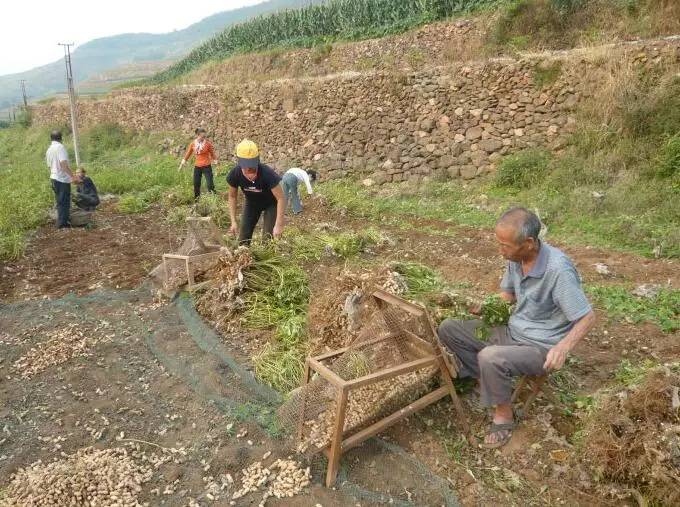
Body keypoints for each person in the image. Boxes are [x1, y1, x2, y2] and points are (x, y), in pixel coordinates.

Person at [438, 207, 596, 449]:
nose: (501, 251)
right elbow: (508, 294)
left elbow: (586, 317)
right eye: (499, 244)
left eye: (506, 246)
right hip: (513, 331)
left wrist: (563, 348)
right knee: (449, 328)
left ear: (529, 242)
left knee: (490, 356)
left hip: (539, 346)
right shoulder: (516, 259)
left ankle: (504, 414)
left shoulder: (558, 270)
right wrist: (485, 306)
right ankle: (485, 379)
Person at [226, 139, 285, 245]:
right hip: (252, 204)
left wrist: (279, 224)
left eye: (253, 169)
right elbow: (232, 196)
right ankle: (245, 259)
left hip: (271, 204)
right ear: (240, 164)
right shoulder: (235, 174)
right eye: (247, 170)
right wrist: (233, 221)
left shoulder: (267, 173)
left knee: (267, 239)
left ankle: (268, 257)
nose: (251, 174)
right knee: (243, 238)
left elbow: (280, 198)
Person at [46, 130, 79, 228]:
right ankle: (63, 223)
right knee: (64, 201)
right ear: (61, 138)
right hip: (61, 179)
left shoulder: (49, 149)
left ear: (51, 138)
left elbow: (49, 166)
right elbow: (63, 165)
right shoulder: (60, 147)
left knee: (59, 201)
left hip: (54, 178)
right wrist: (73, 176)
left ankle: (61, 221)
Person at [179, 128, 219, 200]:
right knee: (196, 184)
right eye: (202, 136)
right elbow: (188, 154)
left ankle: (214, 198)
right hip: (197, 167)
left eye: (205, 136)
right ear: (197, 135)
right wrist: (182, 164)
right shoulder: (193, 144)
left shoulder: (207, 144)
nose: (204, 138)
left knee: (210, 184)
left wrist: (216, 164)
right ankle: (197, 200)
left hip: (207, 166)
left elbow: (212, 154)